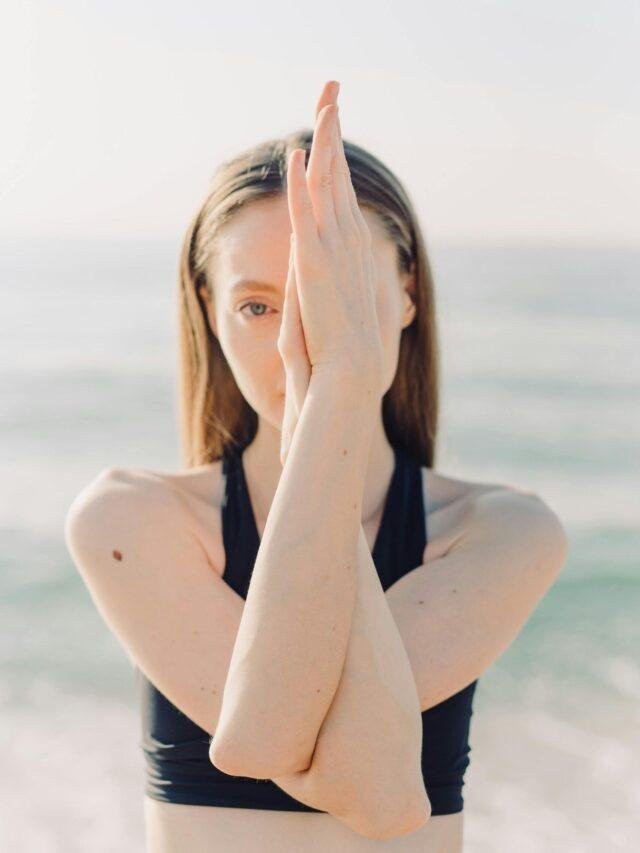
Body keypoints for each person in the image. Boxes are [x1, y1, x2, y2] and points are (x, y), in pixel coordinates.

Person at [65, 80, 568, 852]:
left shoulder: (502, 531)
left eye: (330, 295)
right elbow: (258, 740)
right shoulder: (130, 518)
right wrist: (334, 390)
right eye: (258, 307)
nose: (298, 338)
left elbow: (374, 782)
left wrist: (328, 396)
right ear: (207, 308)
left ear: (405, 292)